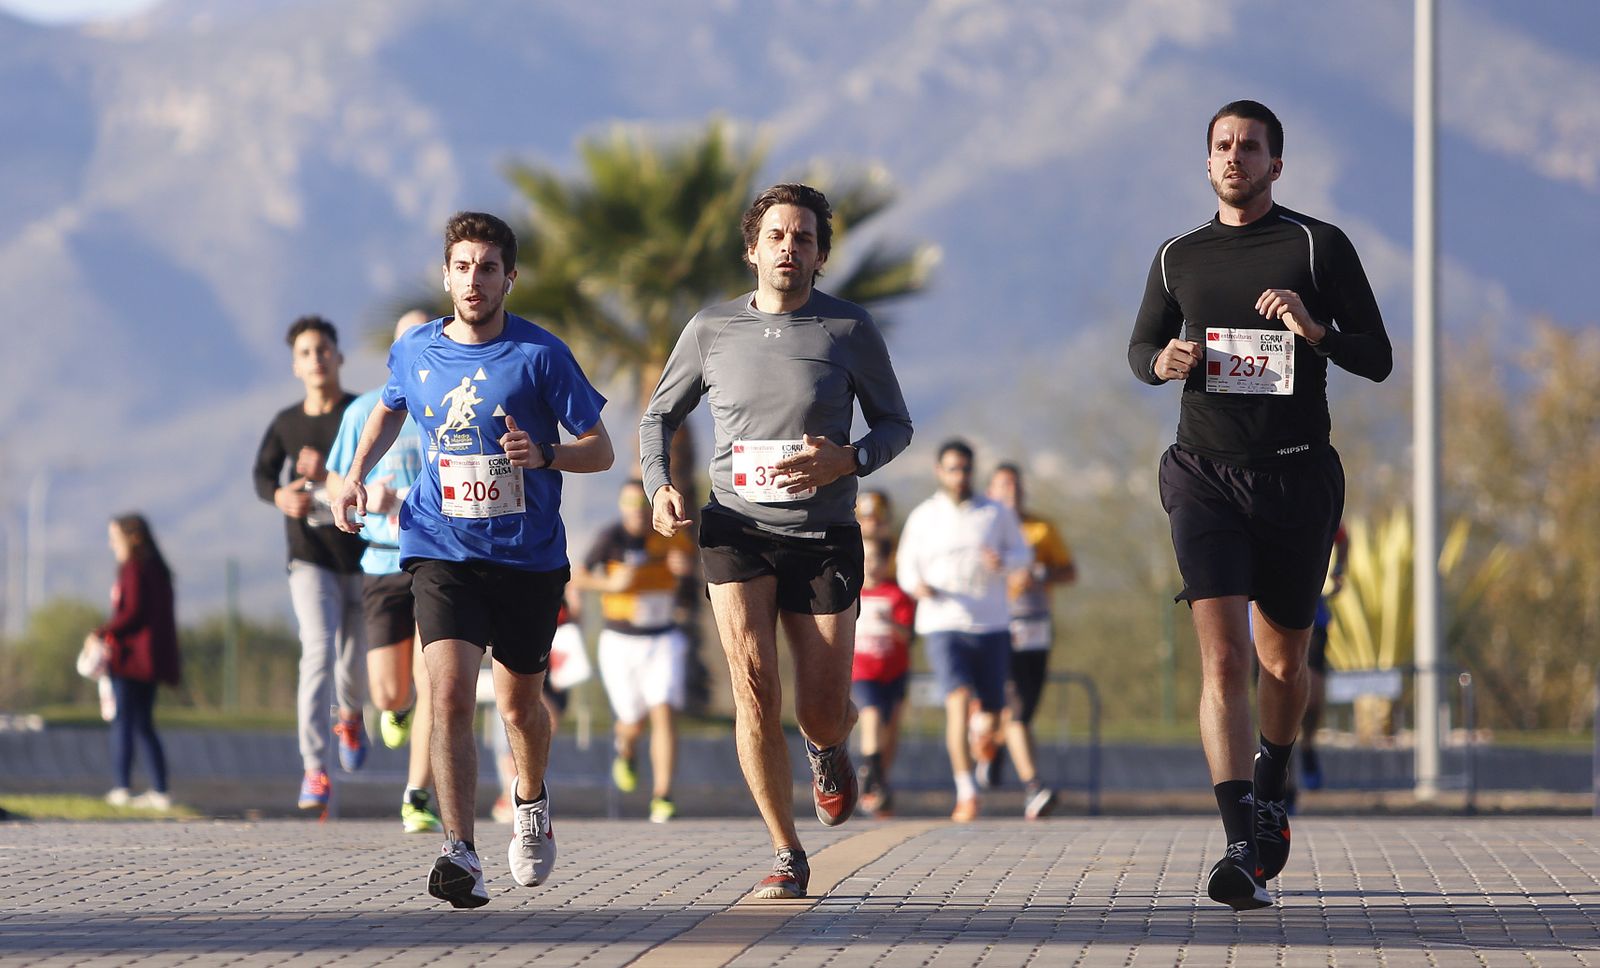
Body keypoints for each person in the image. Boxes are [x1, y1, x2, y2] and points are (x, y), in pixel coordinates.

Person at [1127, 100, 1392, 911]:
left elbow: (1378, 357)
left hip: (1296, 479)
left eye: (1250, 146)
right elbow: (1140, 347)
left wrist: (1315, 330)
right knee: (1224, 662)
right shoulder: (1178, 256)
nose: (1235, 156)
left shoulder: (1317, 245)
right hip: (1203, 475)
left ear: (1276, 164)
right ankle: (1240, 843)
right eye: (1223, 145)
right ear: (1207, 161)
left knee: (1283, 665)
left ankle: (1271, 785)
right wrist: (1162, 362)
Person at [333, 211, 614, 909]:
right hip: (440, 545)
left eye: (488, 268)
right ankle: (459, 850)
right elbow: (390, 408)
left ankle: (530, 799)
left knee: (519, 707)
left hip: (526, 557)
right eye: (462, 266)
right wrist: (356, 473)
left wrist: (544, 454)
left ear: (509, 278)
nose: (474, 280)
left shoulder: (541, 355)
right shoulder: (415, 349)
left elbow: (601, 449)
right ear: (446, 275)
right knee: (451, 693)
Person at [640, 183, 913, 900]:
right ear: (752, 250)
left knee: (818, 708)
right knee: (755, 686)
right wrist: (659, 486)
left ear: (820, 255)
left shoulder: (848, 329)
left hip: (823, 536)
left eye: (804, 238)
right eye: (777, 236)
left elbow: (896, 425)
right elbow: (658, 417)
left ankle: (829, 744)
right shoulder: (712, 329)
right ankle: (785, 850)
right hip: (735, 528)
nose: (789, 247)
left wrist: (848, 460)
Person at [324, 309, 442, 835]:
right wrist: (364, 491)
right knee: (389, 691)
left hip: (438, 558)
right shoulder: (365, 411)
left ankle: (417, 794)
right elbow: (336, 479)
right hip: (381, 560)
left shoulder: (451, 404)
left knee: (433, 679)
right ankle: (396, 708)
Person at [252, 315, 370, 812]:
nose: (316, 359)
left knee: (354, 663)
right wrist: (282, 496)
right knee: (318, 649)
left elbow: (379, 470)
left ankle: (351, 717)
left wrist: (329, 475)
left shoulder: (361, 413)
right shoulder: (285, 423)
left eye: (323, 350)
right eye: (305, 353)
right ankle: (315, 768)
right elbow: (262, 476)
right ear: (295, 366)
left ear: (339, 357)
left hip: (361, 556)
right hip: (309, 558)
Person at [896, 440, 1031, 822]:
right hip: (942, 622)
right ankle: (966, 791)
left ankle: (981, 730)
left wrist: (1004, 561)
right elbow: (905, 564)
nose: (960, 476)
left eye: (966, 469)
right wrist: (916, 585)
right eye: (953, 469)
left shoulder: (995, 513)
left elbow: (1024, 554)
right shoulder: (924, 516)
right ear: (939, 471)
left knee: (994, 712)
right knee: (956, 699)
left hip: (991, 622)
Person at [573, 479, 696, 823]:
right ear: (622, 507)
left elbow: (689, 562)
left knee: (663, 710)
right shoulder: (610, 538)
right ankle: (625, 749)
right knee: (632, 722)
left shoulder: (668, 534)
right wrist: (610, 584)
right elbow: (578, 577)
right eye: (630, 505)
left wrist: (684, 566)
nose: (637, 513)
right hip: (621, 641)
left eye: (642, 506)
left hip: (663, 637)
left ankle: (663, 796)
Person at [986, 462, 1077, 819]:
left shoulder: (1041, 528)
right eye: (1003, 485)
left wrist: (1037, 572)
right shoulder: (983, 530)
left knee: (1023, 710)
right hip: (996, 627)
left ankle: (994, 746)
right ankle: (1034, 787)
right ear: (991, 492)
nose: (1012, 491)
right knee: (1016, 712)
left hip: (1036, 628)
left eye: (1016, 485)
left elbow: (1069, 572)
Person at [89, 514, 181, 810]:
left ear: (133, 538)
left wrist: (101, 633)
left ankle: (122, 787)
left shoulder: (134, 568)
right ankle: (161, 790)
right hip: (150, 661)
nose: (111, 544)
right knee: (143, 724)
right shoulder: (157, 569)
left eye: (115, 538)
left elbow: (132, 613)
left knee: (124, 723)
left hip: (131, 661)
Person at [851, 535, 914, 817]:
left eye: (876, 559)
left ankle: (879, 779)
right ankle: (871, 778)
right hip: (863, 672)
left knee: (888, 731)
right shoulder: (851, 594)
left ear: (887, 562)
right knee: (872, 715)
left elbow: (907, 636)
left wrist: (891, 624)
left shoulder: (896, 595)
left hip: (894, 673)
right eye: (865, 559)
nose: (871, 565)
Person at [1299, 522, 1348, 794]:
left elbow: (1342, 536)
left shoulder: (1310, 499)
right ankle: (1280, 775)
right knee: (1272, 689)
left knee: (1313, 695)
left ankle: (1307, 746)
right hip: (1262, 608)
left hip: (1312, 611)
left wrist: (1338, 570)